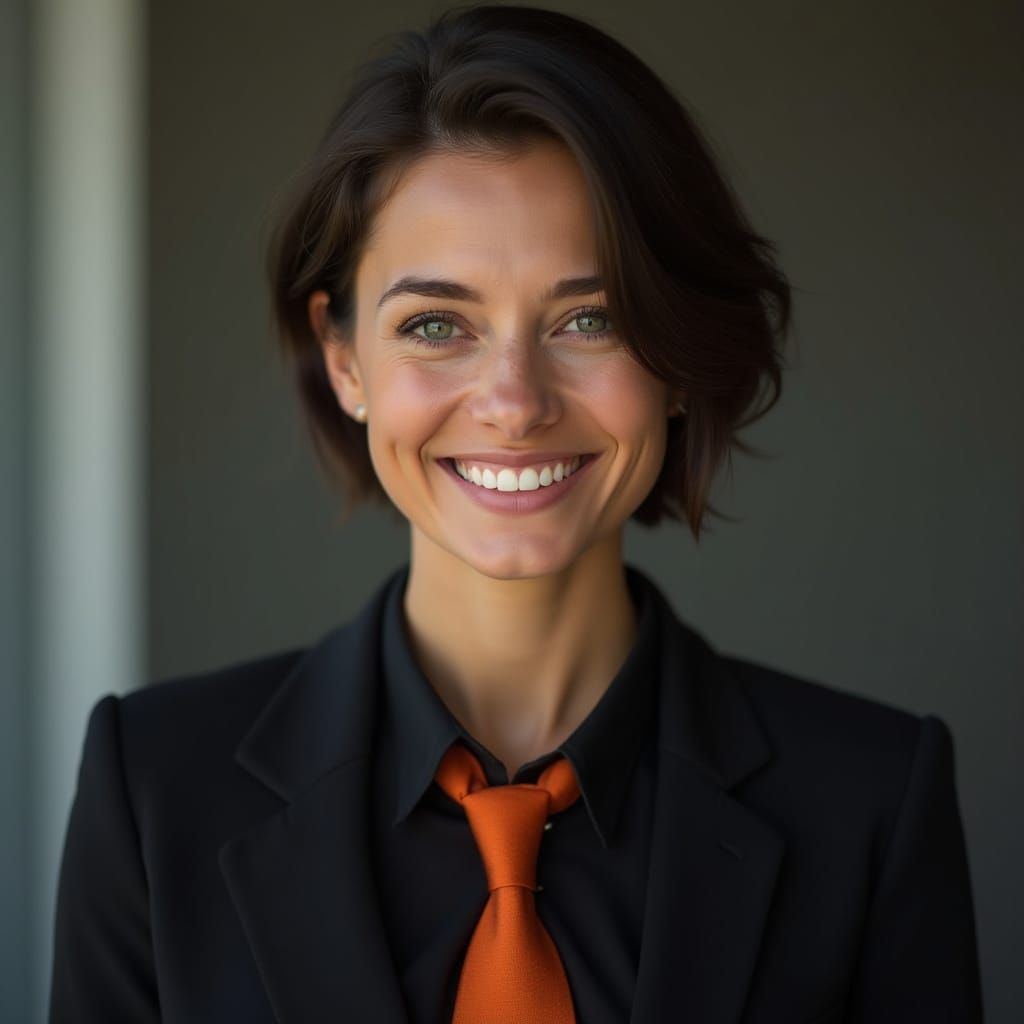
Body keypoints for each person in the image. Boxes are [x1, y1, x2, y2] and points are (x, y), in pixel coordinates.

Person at [49, 4, 984, 1022]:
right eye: (435, 325)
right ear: (344, 357)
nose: (514, 401)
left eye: (590, 318)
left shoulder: (872, 802)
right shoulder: (155, 790)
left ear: (678, 357)